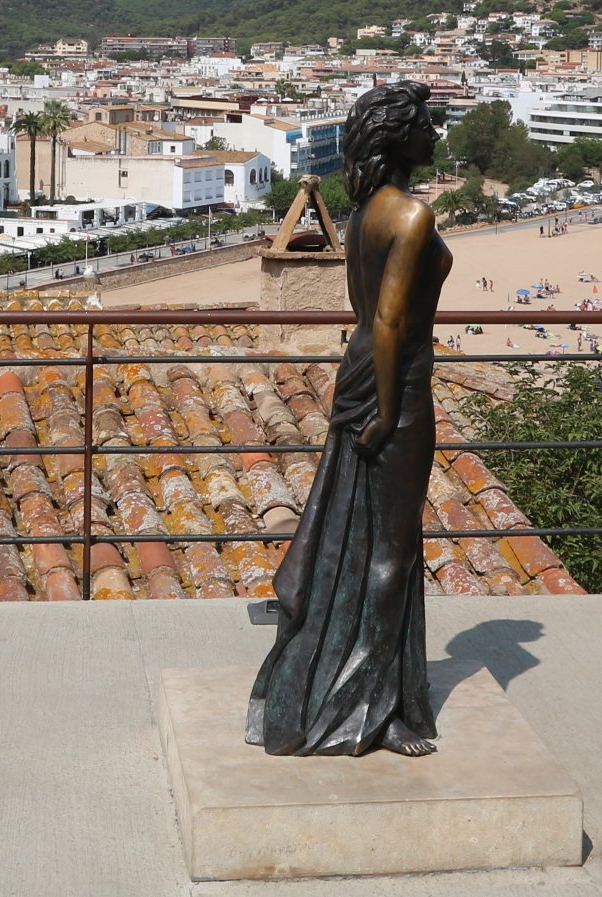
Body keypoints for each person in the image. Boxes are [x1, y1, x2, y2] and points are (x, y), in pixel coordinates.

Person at [247, 81, 449, 758]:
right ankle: (370, 705)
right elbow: (392, 319)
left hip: (360, 367)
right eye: (425, 124)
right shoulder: (411, 217)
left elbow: (370, 315)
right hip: (396, 379)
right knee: (391, 545)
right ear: (398, 136)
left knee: (355, 532)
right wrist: (391, 411)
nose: (435, 134)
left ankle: (372, 686)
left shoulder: (364, 212)